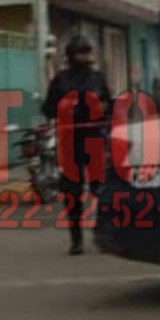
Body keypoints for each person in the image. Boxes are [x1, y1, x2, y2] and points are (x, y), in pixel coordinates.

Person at [41, 35, 112, 255]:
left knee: (100, 188)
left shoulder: (97, 78)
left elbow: (110, 106)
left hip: (94, 140)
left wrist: (102, 114)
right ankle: (76, 239)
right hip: (69, 142)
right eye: (81, 52)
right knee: (72, 192)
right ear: (72, 55)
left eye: (87, 52)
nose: (85, 56)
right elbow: (48, 109)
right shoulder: (61, 80)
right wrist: (65, 109)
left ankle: (104, 234)